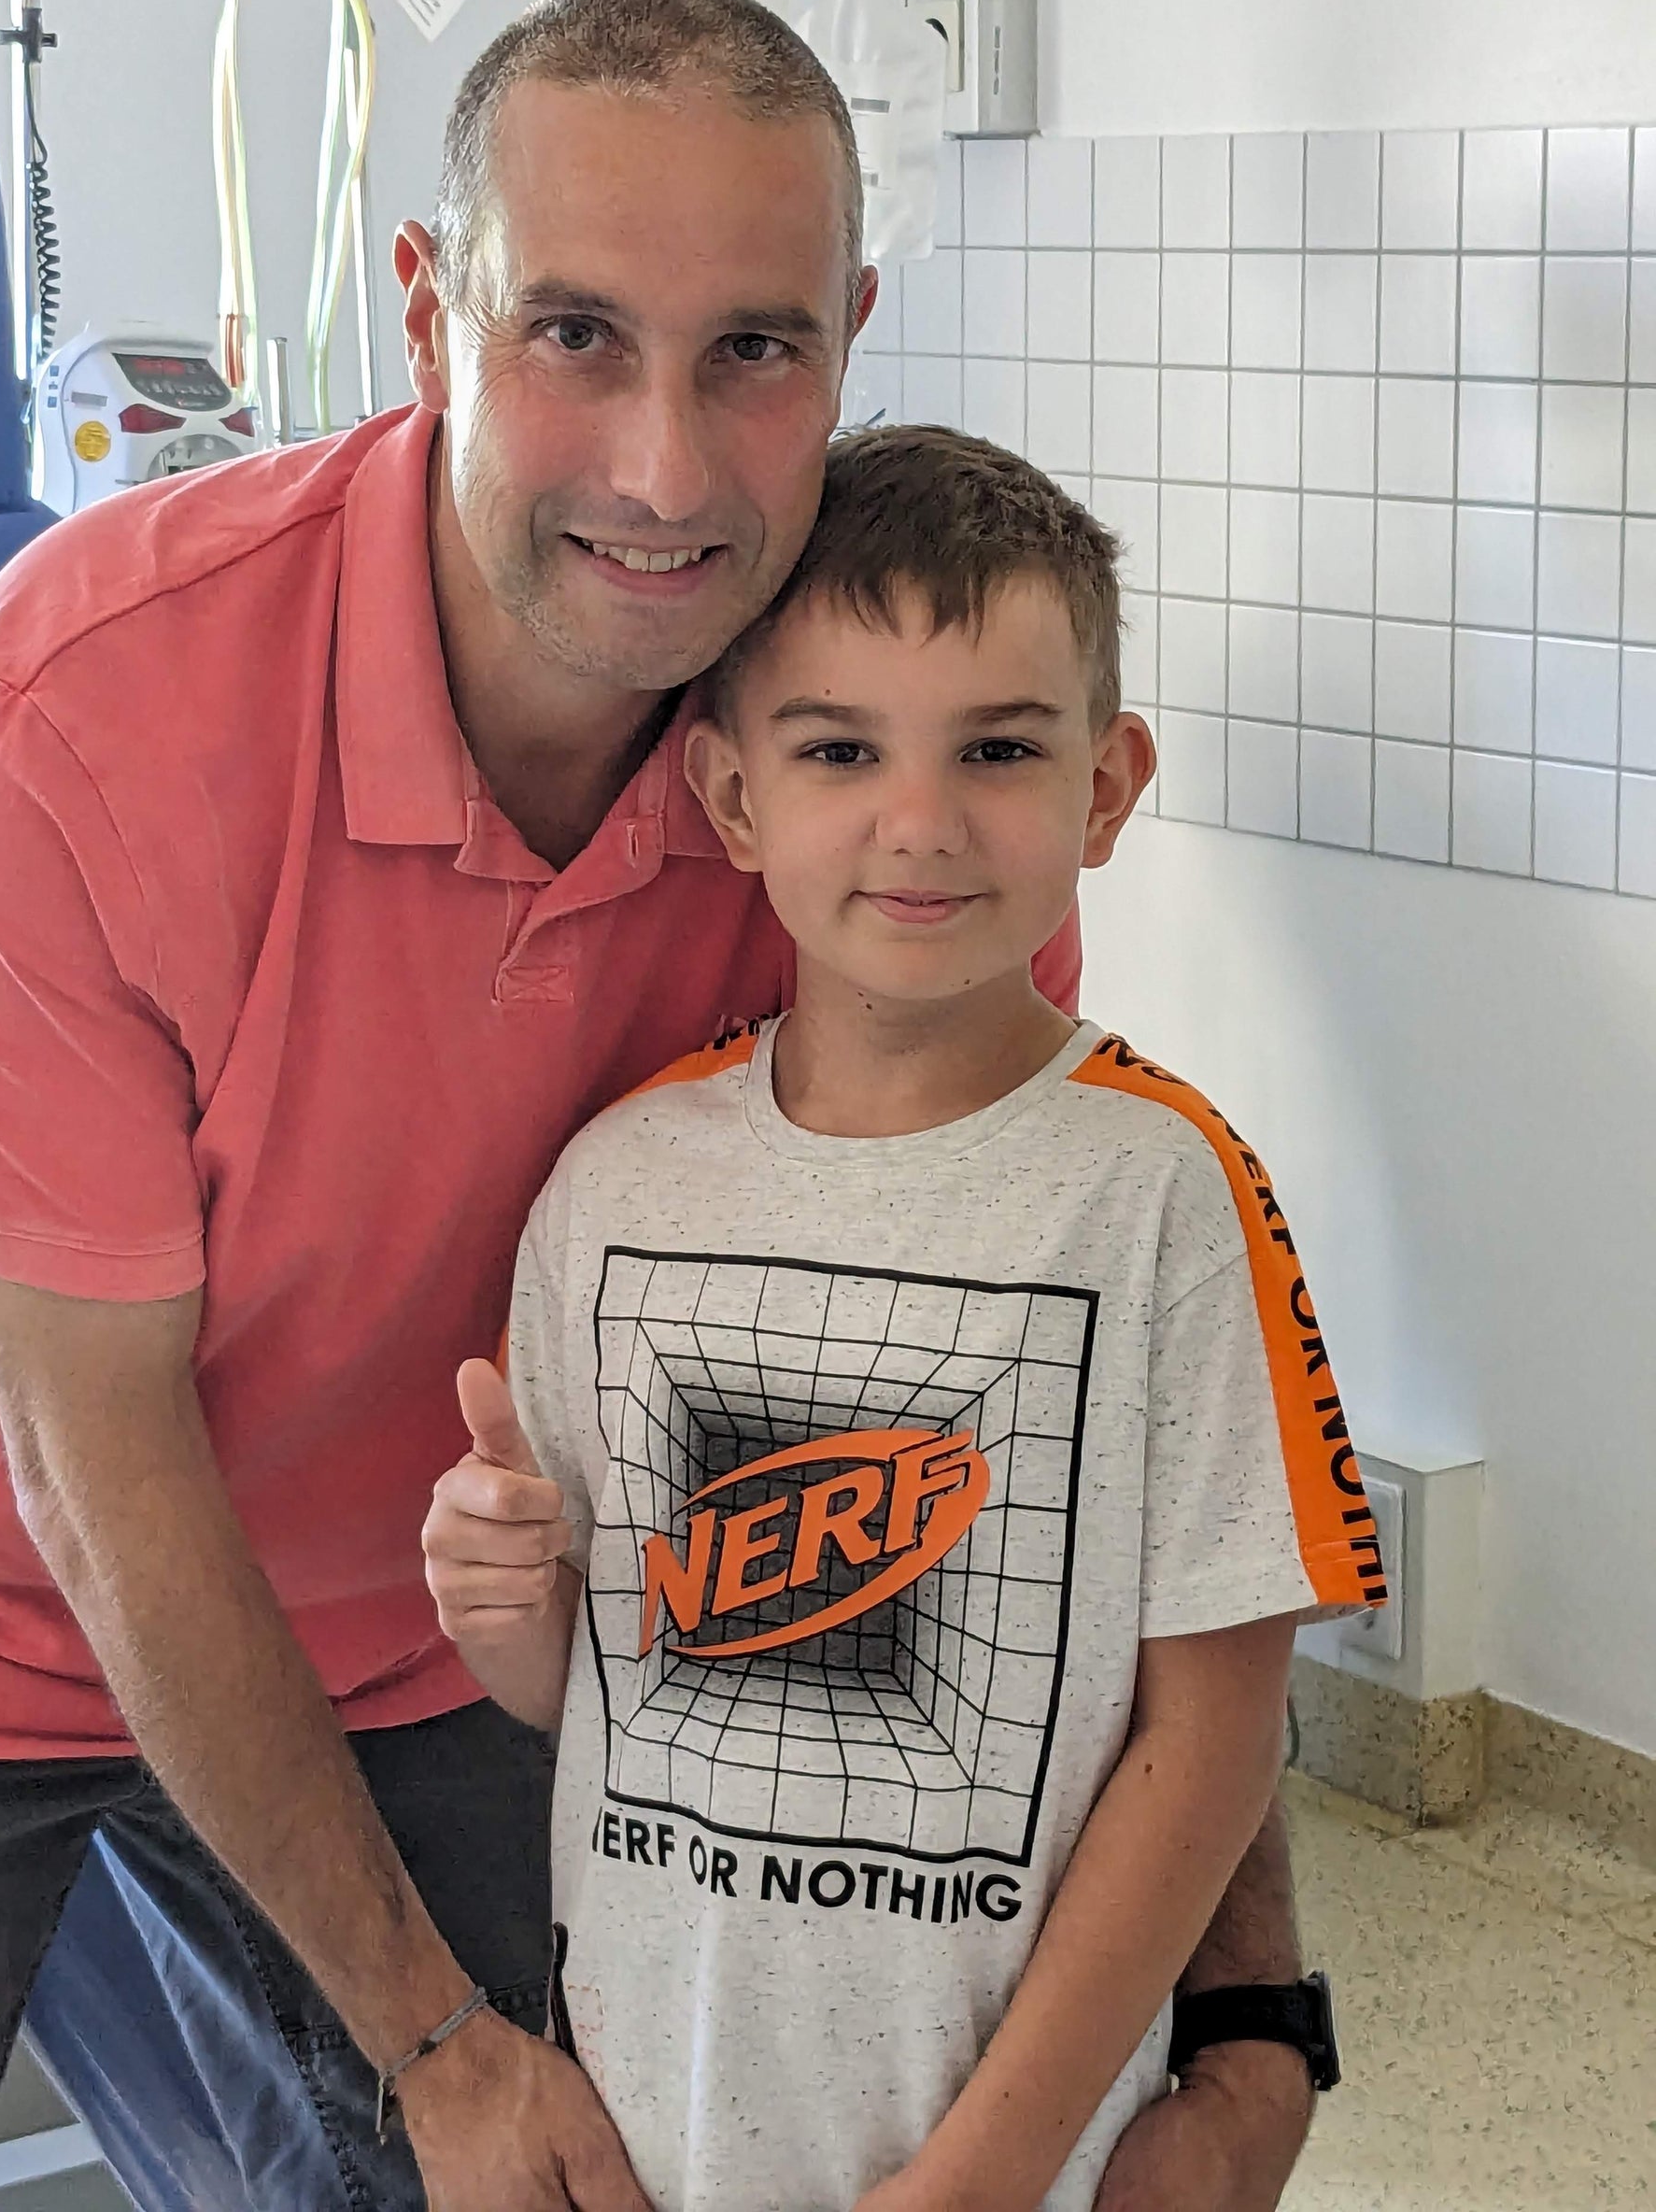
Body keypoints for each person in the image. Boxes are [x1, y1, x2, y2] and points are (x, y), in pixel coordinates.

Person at [0, 0, 1317, 2212]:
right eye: (575, 335)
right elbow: (95, 1477)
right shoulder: (70, 721)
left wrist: (1250, 2016)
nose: (662, 467)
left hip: (424, 1625)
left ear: (849, 327)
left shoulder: (850, 790)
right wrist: (435, 2036)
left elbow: (1092, 1422)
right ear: (434, 310)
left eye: (754, 348)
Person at [424, 424, 1378, 2211]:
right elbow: (617, 1694)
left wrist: (985, 2173)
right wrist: (499, 1606)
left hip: (1000, 2155)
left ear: (1108, 784)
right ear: (728, 798)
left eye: (1000, 751)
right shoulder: (618, 1189)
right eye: (841, 750)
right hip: (651, 2125)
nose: (921, 821)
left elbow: (1214, 1736)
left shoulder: (1163, 1194)